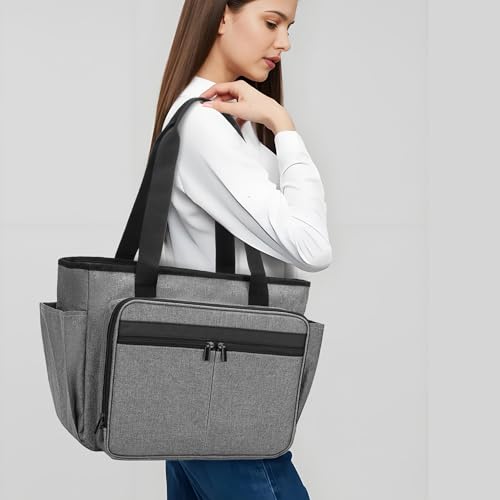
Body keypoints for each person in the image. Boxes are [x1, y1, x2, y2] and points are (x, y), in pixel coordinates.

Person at [148, 1, 332, 498]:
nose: (284, 42)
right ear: (222, 15)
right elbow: (311, 245)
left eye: (289, 27)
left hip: (203, 382)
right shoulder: (205, 124)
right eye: (271, 22)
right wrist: (282, 122)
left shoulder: (230, 118)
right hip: (221, 390)